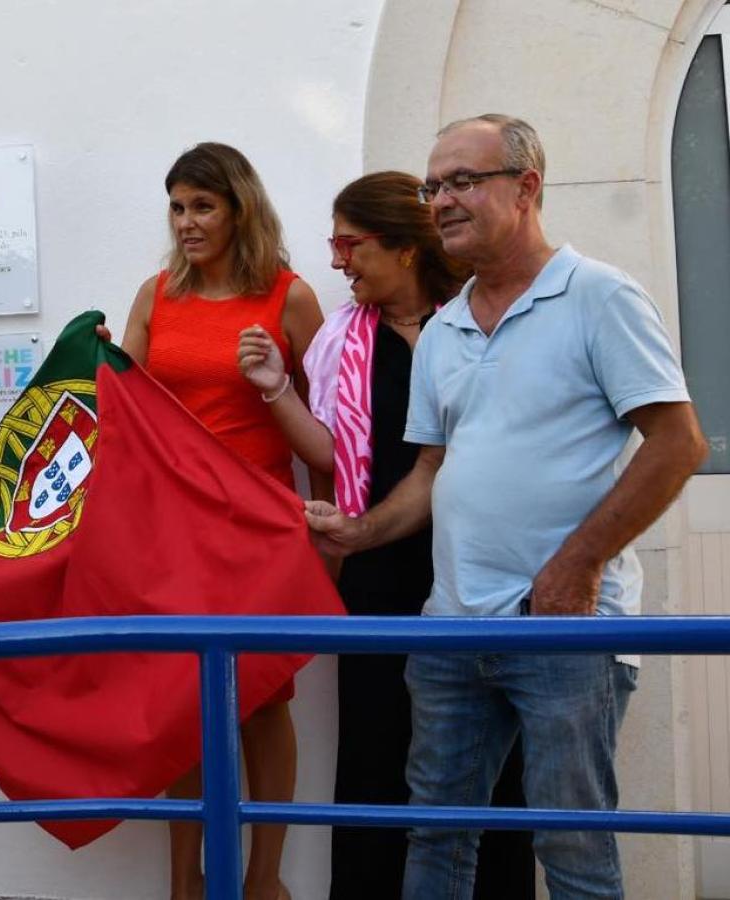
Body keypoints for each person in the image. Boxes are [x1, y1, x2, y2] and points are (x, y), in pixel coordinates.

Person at [306, 115, 708, 899]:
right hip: (452, 629)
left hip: (563, 630)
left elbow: (678, 442)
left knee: (572, 849)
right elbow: (431, 472)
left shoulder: (599, 295)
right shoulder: (447, 328)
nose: (441, 201)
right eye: (432, 187)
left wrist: (575, 567)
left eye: (462, 181)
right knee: (437, 838)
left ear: (526, 188)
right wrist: (359, 532)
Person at [237, 171, 534, 898]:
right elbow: (328, 452)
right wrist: (277, 388)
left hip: (478, 568)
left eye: (350, 243)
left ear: (404, 249)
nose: (337, 260)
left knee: (491, 758)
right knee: (377, 748)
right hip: (379, 564)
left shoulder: (475, 323)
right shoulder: (346, 337)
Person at [113, 142, 324, 900]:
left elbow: (328, 432)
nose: (187, 221)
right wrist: (99, 362)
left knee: (264, 699)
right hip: (173, 530)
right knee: (185, 705)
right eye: (177, 206)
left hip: (257, 529)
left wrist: (331, 541)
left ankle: (265, 881)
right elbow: (122, 408)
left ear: (240, 208)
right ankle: (186, 885)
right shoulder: (155, 293)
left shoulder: (289, 297)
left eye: (203, 206)